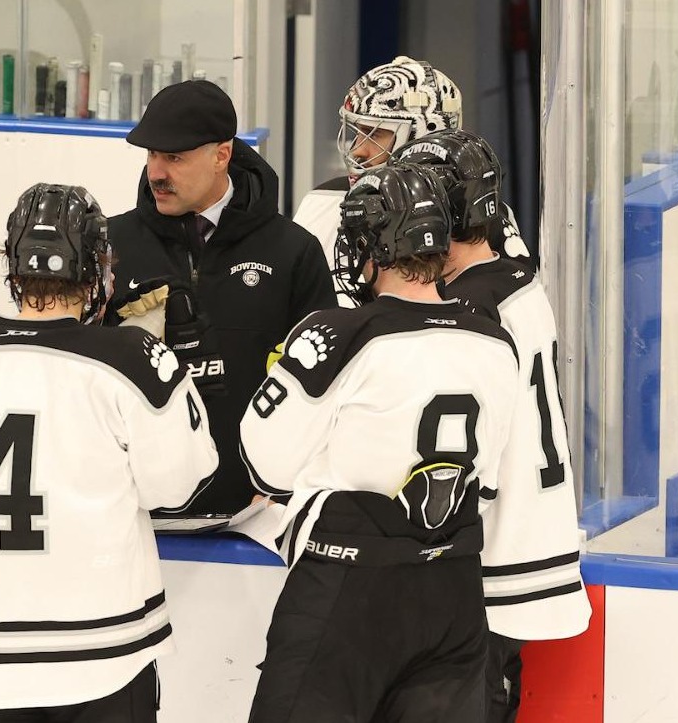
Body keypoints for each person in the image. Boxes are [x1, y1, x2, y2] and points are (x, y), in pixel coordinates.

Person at [0, 182, 218, 721]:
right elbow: (177, 486)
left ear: (13, 264)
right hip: (103, 650)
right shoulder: (130, 357)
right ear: (96, 267)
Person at [241, 164, 519, 723]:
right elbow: (488, 480)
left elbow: (265, 464)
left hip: (349, 590)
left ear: (374, 249)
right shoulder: (495, 340)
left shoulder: (339, 334)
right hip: (454, 592)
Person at [393, 128, 591, 722]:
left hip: (488, 559)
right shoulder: (516, 279)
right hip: (527, 539)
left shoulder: (466, 310)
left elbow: (463, 462)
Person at [108, 79, 335, 515]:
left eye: (174, 157)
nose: (156, 173)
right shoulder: (111, 247)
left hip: (254, 514)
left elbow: (322, 386)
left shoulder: (293, 252)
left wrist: (290, 488)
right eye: (152, 155)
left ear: (221, 156)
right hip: (138, 512)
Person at [291, 55, 533, 288]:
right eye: (358, 132)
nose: (357, 150)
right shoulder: (321, 200)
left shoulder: (479, 217)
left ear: (422, 139)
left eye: (375, 134)